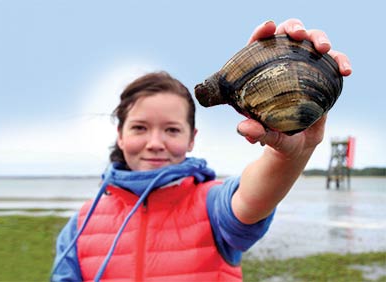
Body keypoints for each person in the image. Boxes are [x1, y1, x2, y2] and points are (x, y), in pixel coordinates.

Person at [51, 18, 352, 281]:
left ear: (192, 138)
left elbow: (251, 199)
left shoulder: (212, 205)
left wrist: (289, 155)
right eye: (140, 128)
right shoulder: (81, 225)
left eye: (172, 130)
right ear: (120, 135)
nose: (155, 142)